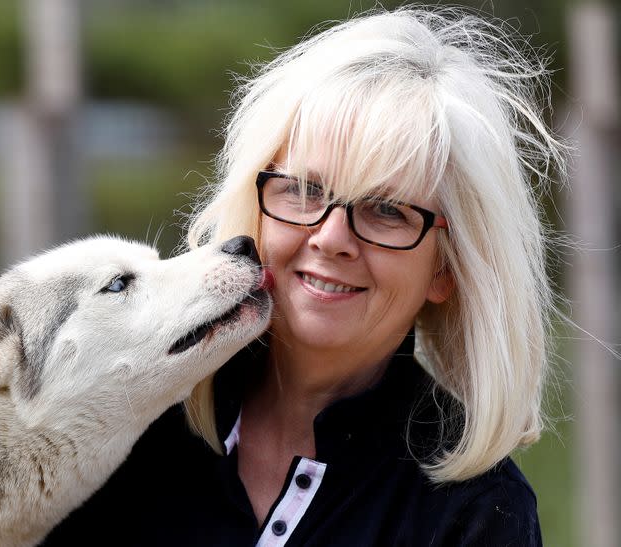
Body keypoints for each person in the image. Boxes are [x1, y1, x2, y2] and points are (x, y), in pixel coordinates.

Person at [44, 5, 565, 545]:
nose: (331, 238)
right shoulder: (126, 426)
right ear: (256, 207)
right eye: (304, 190)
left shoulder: (477, 511)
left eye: (387, 210)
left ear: (447, 267)